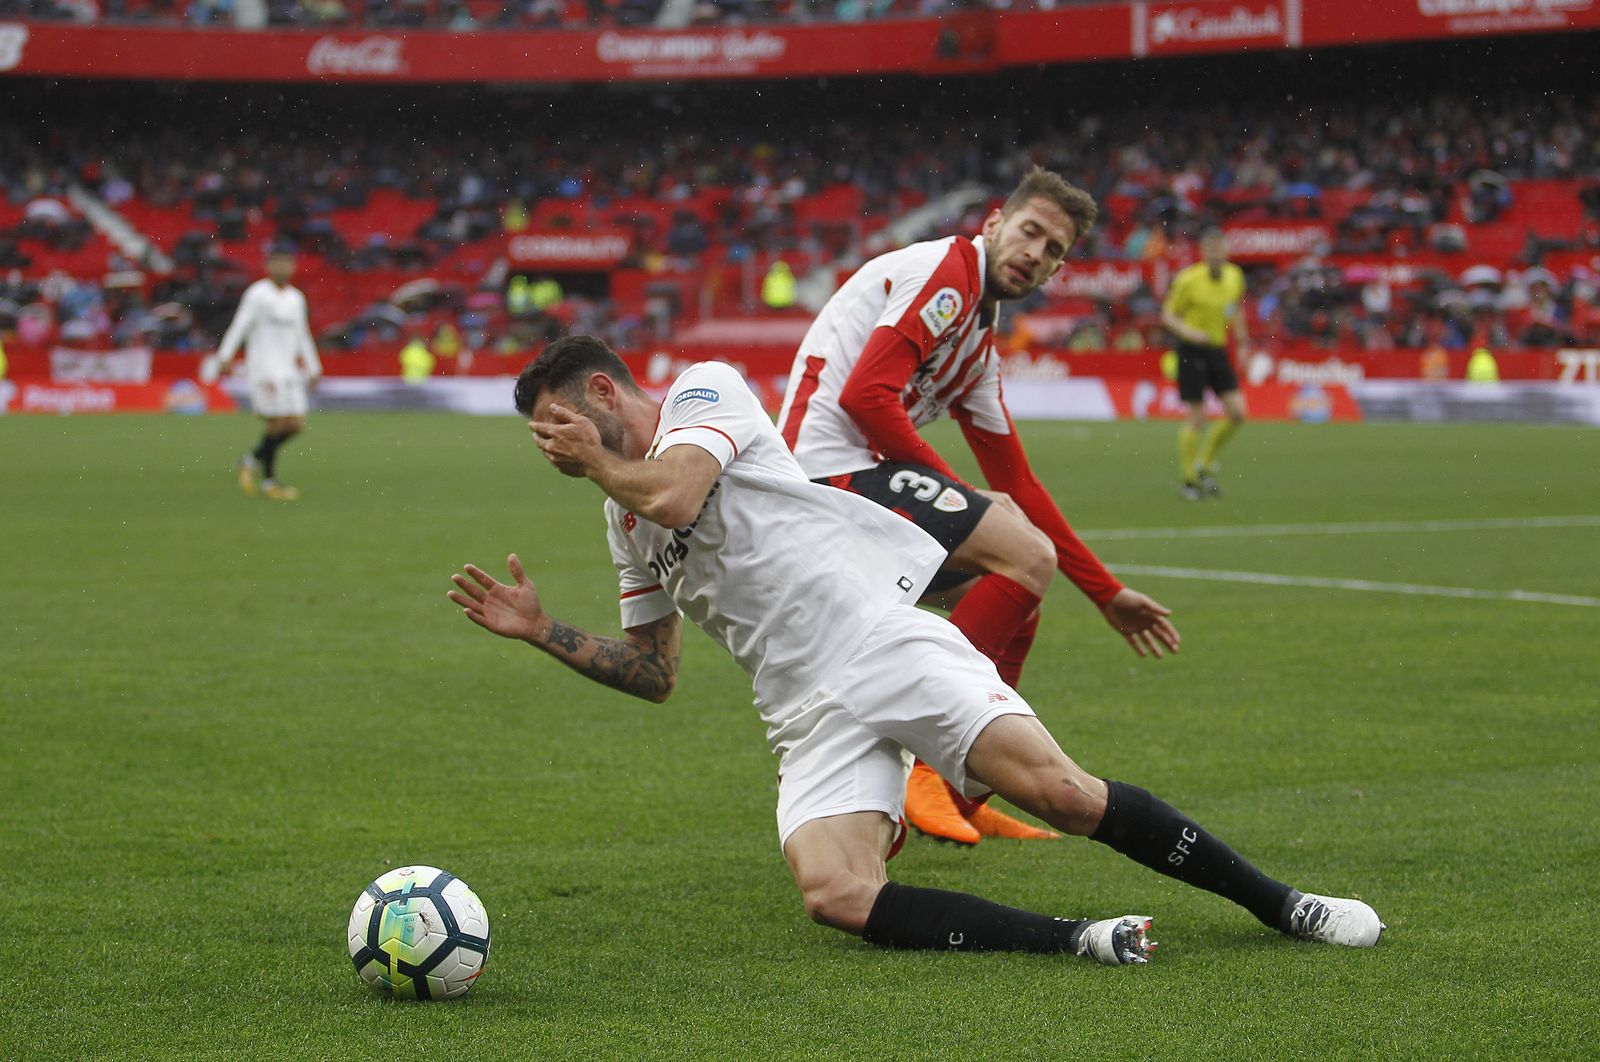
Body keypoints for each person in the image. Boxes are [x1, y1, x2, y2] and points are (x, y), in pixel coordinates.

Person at [446, 335, 1384, 963]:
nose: (558, 452)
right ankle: (1080, 939)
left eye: (561, 427)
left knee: (1058, 793)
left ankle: (1285, 905)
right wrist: (543, 634)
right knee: (836, 893)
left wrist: (604, 464)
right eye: (546, 442)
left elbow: (678, 495)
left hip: (880, 639)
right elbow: (653, 673)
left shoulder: (705, 391)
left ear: (603, 392)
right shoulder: (623, 519)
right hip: (803, 712)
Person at [776, 167, 1180, 845]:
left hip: (856, 491)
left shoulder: (977, 344)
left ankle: (959, 798)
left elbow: (1018, 483)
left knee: (1021, 590)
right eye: (1030, 232)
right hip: (819, 480)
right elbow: (865, 397)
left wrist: (1107, 594)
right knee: (1021, 557)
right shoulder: (948, 274)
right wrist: (961, 495)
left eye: (1055, 251)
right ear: (993, 223)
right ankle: (929, 772)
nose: (1036, 254)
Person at [200, 250, 322, 501]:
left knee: (295, 424)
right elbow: (240, 325)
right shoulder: (257, 294)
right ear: (268, 266)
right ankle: (270, 481)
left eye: (286, 262)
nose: (282, 267)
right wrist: (225, 356)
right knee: (276, 422)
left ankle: (250, 460)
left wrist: (313, 367)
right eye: (277, 262)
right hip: (265, 367)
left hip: (289, 369)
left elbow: (302, 334)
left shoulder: (295, 298)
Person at [1161, 228, 1249, 501]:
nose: (1215, 255)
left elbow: (1237, 308)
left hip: (1217, 349)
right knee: (1197, 417)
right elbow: (1167, 315)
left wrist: (1244, 342)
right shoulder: (1188, 280)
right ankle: (1188, 480)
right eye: (1210, 250)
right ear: (1203, 253)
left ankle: (1205, 463)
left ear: (1225, 252)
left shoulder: (1235, 276)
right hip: (1191, 350)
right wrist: (1189, 332)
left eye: (1219, 250)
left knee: (1237, 413)